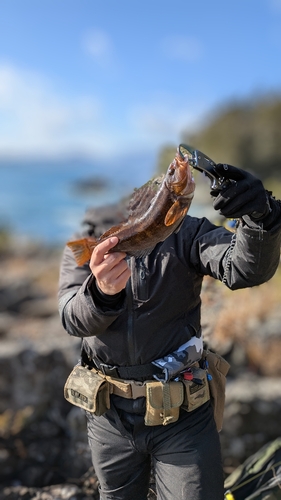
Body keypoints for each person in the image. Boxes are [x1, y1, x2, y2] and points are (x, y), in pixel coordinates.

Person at [58, 160, 281, 500]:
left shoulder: (189, 232)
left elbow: (244, 269)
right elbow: (71, 318)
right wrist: (100, 294)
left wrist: (260, 218)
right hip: (109, 418)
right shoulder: (86, 245)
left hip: (183, 415)